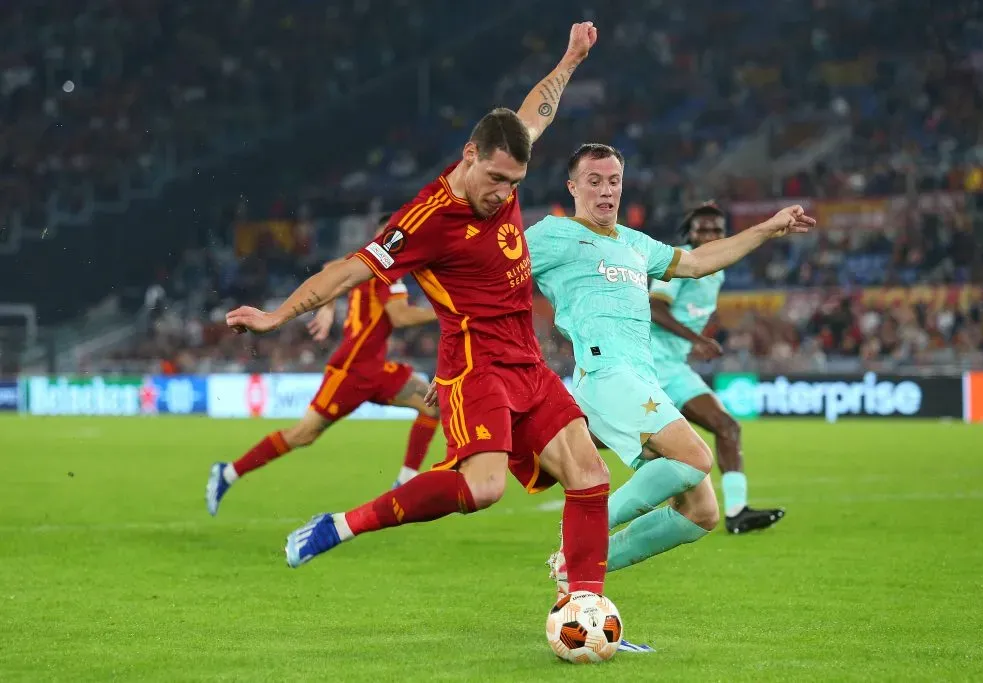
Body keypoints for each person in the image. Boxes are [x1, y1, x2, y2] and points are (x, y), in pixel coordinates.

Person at [225, 23, 613, 601]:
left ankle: (584, 606)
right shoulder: (425, 221)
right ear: (468, 155)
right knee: (483, 490)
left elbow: (537, 111)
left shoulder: (505, 162)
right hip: (475, 368)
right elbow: (350, 270)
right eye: (495, 179)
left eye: (515, 183)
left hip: (526, 362)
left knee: (591, 475)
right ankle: (342, 524)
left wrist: (570, 59)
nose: (504, 194)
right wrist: (277, 316)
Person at [515, 144, 813, 606]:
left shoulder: (635, 244)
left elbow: (696, 263)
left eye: (613, 181)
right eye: (593, 181)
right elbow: (490, 278)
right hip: (605, 372)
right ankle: (581, 526)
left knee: (701, 513)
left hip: (644, 379)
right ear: (573, 188)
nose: (605, 191)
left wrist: (768, 229)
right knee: (695, 457)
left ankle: (576, 570)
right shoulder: (550, 235)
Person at [205, 215, 441, 517]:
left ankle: (404, 483)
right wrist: (448, 310)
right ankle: (228, 473)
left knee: (432, 406)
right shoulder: (384, 270)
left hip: (376, 369)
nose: (393, 238)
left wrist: (328, 307)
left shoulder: (365, 263)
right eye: (388, 232)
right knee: (303, 435)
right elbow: (400, 316)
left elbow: (332, 269)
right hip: (350, 371)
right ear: (378, 234)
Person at [649, 203, 785, 534]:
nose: (710, 235)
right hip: (647, 367)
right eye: (703, 229)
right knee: (611, 438)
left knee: (727, 426)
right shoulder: (679, 260)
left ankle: (737, 512)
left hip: (675, 368)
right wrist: (697, 339)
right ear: (690, 234)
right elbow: (654, 307)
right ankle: (546, 449)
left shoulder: (718, 269)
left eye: (716, 230)